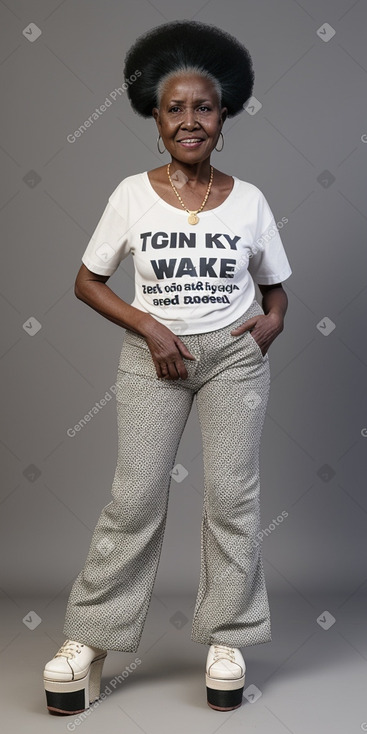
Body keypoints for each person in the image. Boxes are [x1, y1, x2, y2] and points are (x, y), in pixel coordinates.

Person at [43, 19, 292, 715]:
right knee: (134, 498)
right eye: (174, 108)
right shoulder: (131, 194)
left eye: (203, 107)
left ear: (223, 116)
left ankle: (228, 638)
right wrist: (149, 325)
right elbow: (88, 280)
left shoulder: (248, 201)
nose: (190, 120)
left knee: (232, 500)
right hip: (154, 358)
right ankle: (90, 642)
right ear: (155, 119)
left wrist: (270, 323)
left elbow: (275, 289)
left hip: (233, 361)